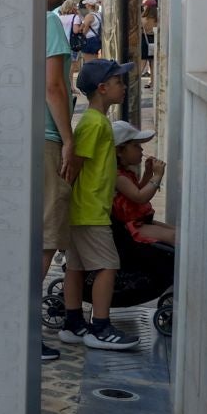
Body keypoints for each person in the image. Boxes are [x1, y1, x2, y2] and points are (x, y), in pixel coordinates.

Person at [59, 59, 142, 351]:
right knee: (107, 265)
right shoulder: (94, 124)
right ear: (103, 89)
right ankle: (101, 326)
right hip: (90, 209)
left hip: (85, 209)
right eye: (119, 82)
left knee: (76, 267)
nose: (123, 86)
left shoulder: (96, 122)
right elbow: (75, 165)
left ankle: (73, 322)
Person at [40, 0, 77, 363]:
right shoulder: (49, 21)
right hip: (47, 137)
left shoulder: (15, 20)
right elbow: (53, 86)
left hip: (23, 136)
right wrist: (68, 139)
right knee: (47, 237)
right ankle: (26, 327)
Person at [112, 120, 176, 246]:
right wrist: (157, 176)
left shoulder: (125, 172)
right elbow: (140, 197)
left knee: (180, 232)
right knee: (175, 237)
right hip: (131, 226)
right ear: (119, 151)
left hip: (141, 220)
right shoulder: (117, 176)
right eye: (136, 145)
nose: (141, 149)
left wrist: (148, 174)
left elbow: (136, 190)